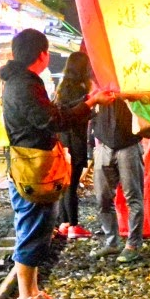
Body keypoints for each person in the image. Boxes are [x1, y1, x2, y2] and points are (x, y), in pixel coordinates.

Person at [0, 29, 109, 299]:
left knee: (39, 227)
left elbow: (53, 113)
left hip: (34, 166)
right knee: (32, 230)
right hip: (32, 168)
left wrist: (87, 103)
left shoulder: (22, 81)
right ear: (42, 54)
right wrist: (90, 104)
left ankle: (33, 292)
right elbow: (52, 119)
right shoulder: (24, 84)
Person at [92, 97, 147, 264]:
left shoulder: (132, 77)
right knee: (102, 198)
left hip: (129, 143)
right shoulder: (99, 77)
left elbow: (147, 100)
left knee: (133, 198)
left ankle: (133, 245)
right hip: (104, 145)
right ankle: (112, 242)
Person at [54, 52, 92, 241]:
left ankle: (64, 223)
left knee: (66, 184)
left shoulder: (64, 87)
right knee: (71, 185)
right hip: (73, 142)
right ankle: (73, 225)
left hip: (65, 141)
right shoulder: (79, 89)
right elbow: (77, 114)